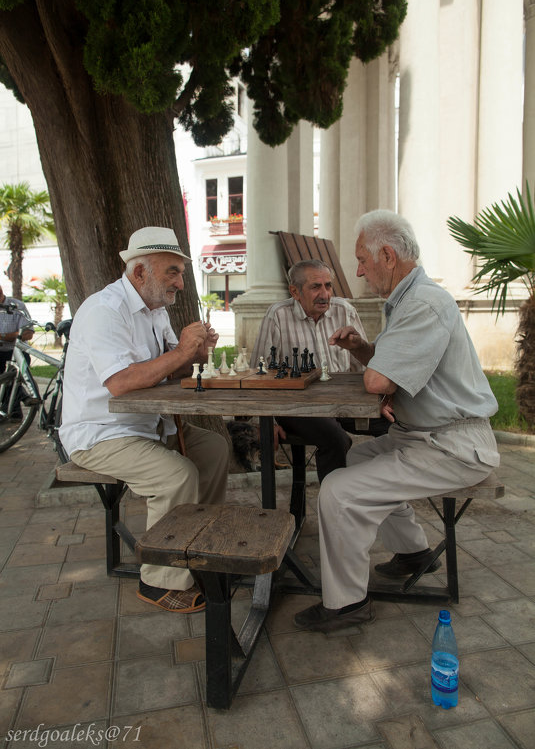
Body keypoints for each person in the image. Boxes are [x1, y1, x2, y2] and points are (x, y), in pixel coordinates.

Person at [294, 210, 500, 632]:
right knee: (353, 461)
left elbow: (379, 381)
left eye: (362, 260)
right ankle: (413, 552)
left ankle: (346, 604)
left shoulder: (424, 303)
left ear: (387, 255)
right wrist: (364, 349)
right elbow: (391, 372)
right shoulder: (409, 299)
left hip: (453, 445)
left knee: (337, 490)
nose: (359, 271)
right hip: (424, 436)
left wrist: (381, 378)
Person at [60, 226, 229, 613]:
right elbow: (121, 383)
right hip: (101, 433)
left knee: (215, 448)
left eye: (181, 273)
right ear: (140, 273)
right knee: (176, 476)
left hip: (147, 425)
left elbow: (168, 368)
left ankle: (197, 547)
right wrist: (182, 351)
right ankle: (159, 580)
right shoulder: (104, 310)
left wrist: (197, 352)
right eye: (173, 272)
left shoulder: (156, 310)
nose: (181, 283)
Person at [250, 259, 388, 481]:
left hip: (344, 402)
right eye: (316, 287)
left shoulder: (345, 311)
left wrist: (378, 401)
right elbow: (258, 371)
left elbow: (363, 365)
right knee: (336, 440)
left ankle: (380, 491)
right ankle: (334, 506)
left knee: (394, 425)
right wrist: (267, 420)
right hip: (298, 406)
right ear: (295, 292)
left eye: (328, 285)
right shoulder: (278, 315)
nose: (325, 294)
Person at [0, 284, 35, 373]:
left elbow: (28, 334)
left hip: (17, 352)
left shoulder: (18, 306)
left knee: (16, 383)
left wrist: (4, 336)